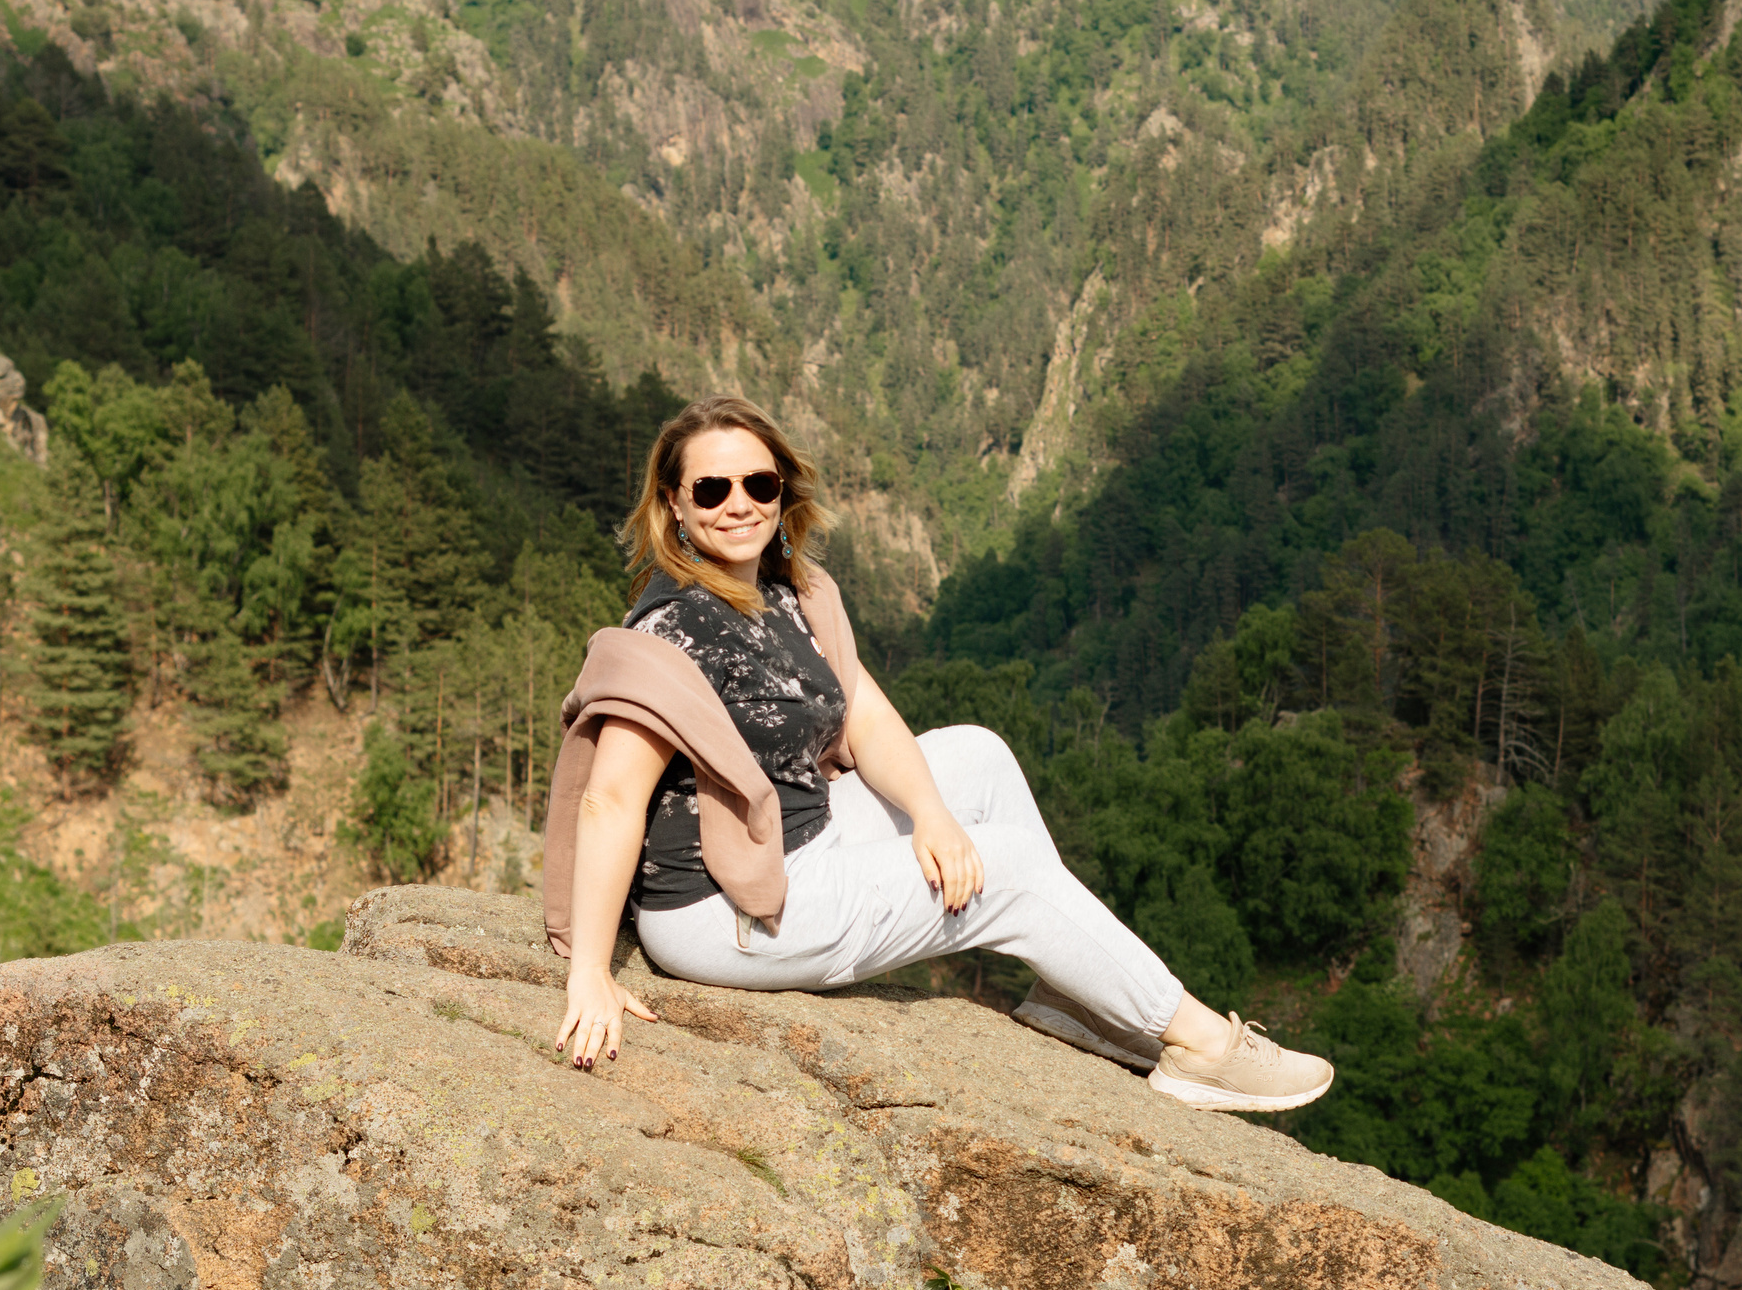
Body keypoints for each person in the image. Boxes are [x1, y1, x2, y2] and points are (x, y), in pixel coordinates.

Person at [548, 394, 1334, 1112]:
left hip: (795, 839)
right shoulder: (672, 631)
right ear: (674, 505)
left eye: (759, 483)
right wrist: (590, 971)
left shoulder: (787, 595)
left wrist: (931, 814)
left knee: (976, 757)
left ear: (783, 492)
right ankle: (1201, 1047)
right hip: (725, 907)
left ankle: (1077, 994)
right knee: (1006, 868)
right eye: (712, 489)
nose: (739, 504)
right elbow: (610, 798)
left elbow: (867, 718)